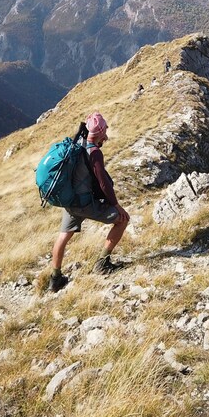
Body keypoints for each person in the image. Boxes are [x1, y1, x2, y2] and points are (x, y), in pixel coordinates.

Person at [48, 111, 130, 292]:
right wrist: (116, 205)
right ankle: (102, 264)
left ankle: (55, 279)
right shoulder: (94, 153)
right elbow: (103, 183)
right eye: (104, 131)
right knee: (122, 219)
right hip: (85, 203)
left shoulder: (76, 144)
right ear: (100, 132)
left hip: (69, 201)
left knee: (63, 236)